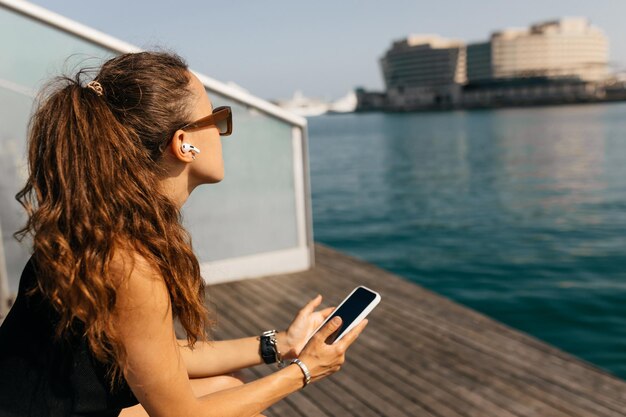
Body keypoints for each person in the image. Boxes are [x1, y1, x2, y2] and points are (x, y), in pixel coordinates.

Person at [0, 51, 368, 417]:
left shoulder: (103, 226)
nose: (223, 132)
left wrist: (280, 344)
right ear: (183, 144)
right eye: (218, 119)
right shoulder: (129, 262)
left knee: (229, 385)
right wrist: (304, 370)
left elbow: (157, 351)